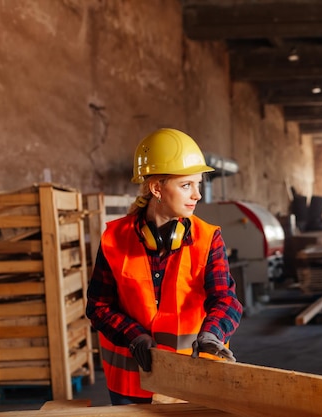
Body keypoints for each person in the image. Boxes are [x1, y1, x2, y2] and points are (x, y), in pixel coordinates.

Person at [86, 128, 243, 405]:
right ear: (157, 188)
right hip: (132, 384)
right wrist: (134, 336)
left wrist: (212, 333)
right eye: (186, 185)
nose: (197, 195)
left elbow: (226, 300)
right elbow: (98, 306)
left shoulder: (208, 238)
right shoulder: (114, 239)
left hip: (194, 378)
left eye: (198, 184)